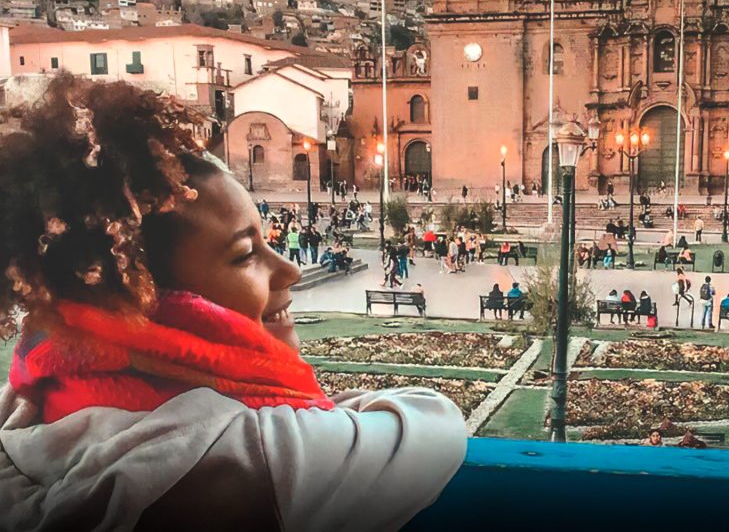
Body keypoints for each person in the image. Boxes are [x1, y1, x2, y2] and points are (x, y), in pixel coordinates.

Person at [0, 78, 466, 530]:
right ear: (148, 302)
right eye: (245, 254)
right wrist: (299, 410)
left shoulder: (29, 403)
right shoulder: (252, 451)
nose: (291, 270)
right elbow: (435, 424)